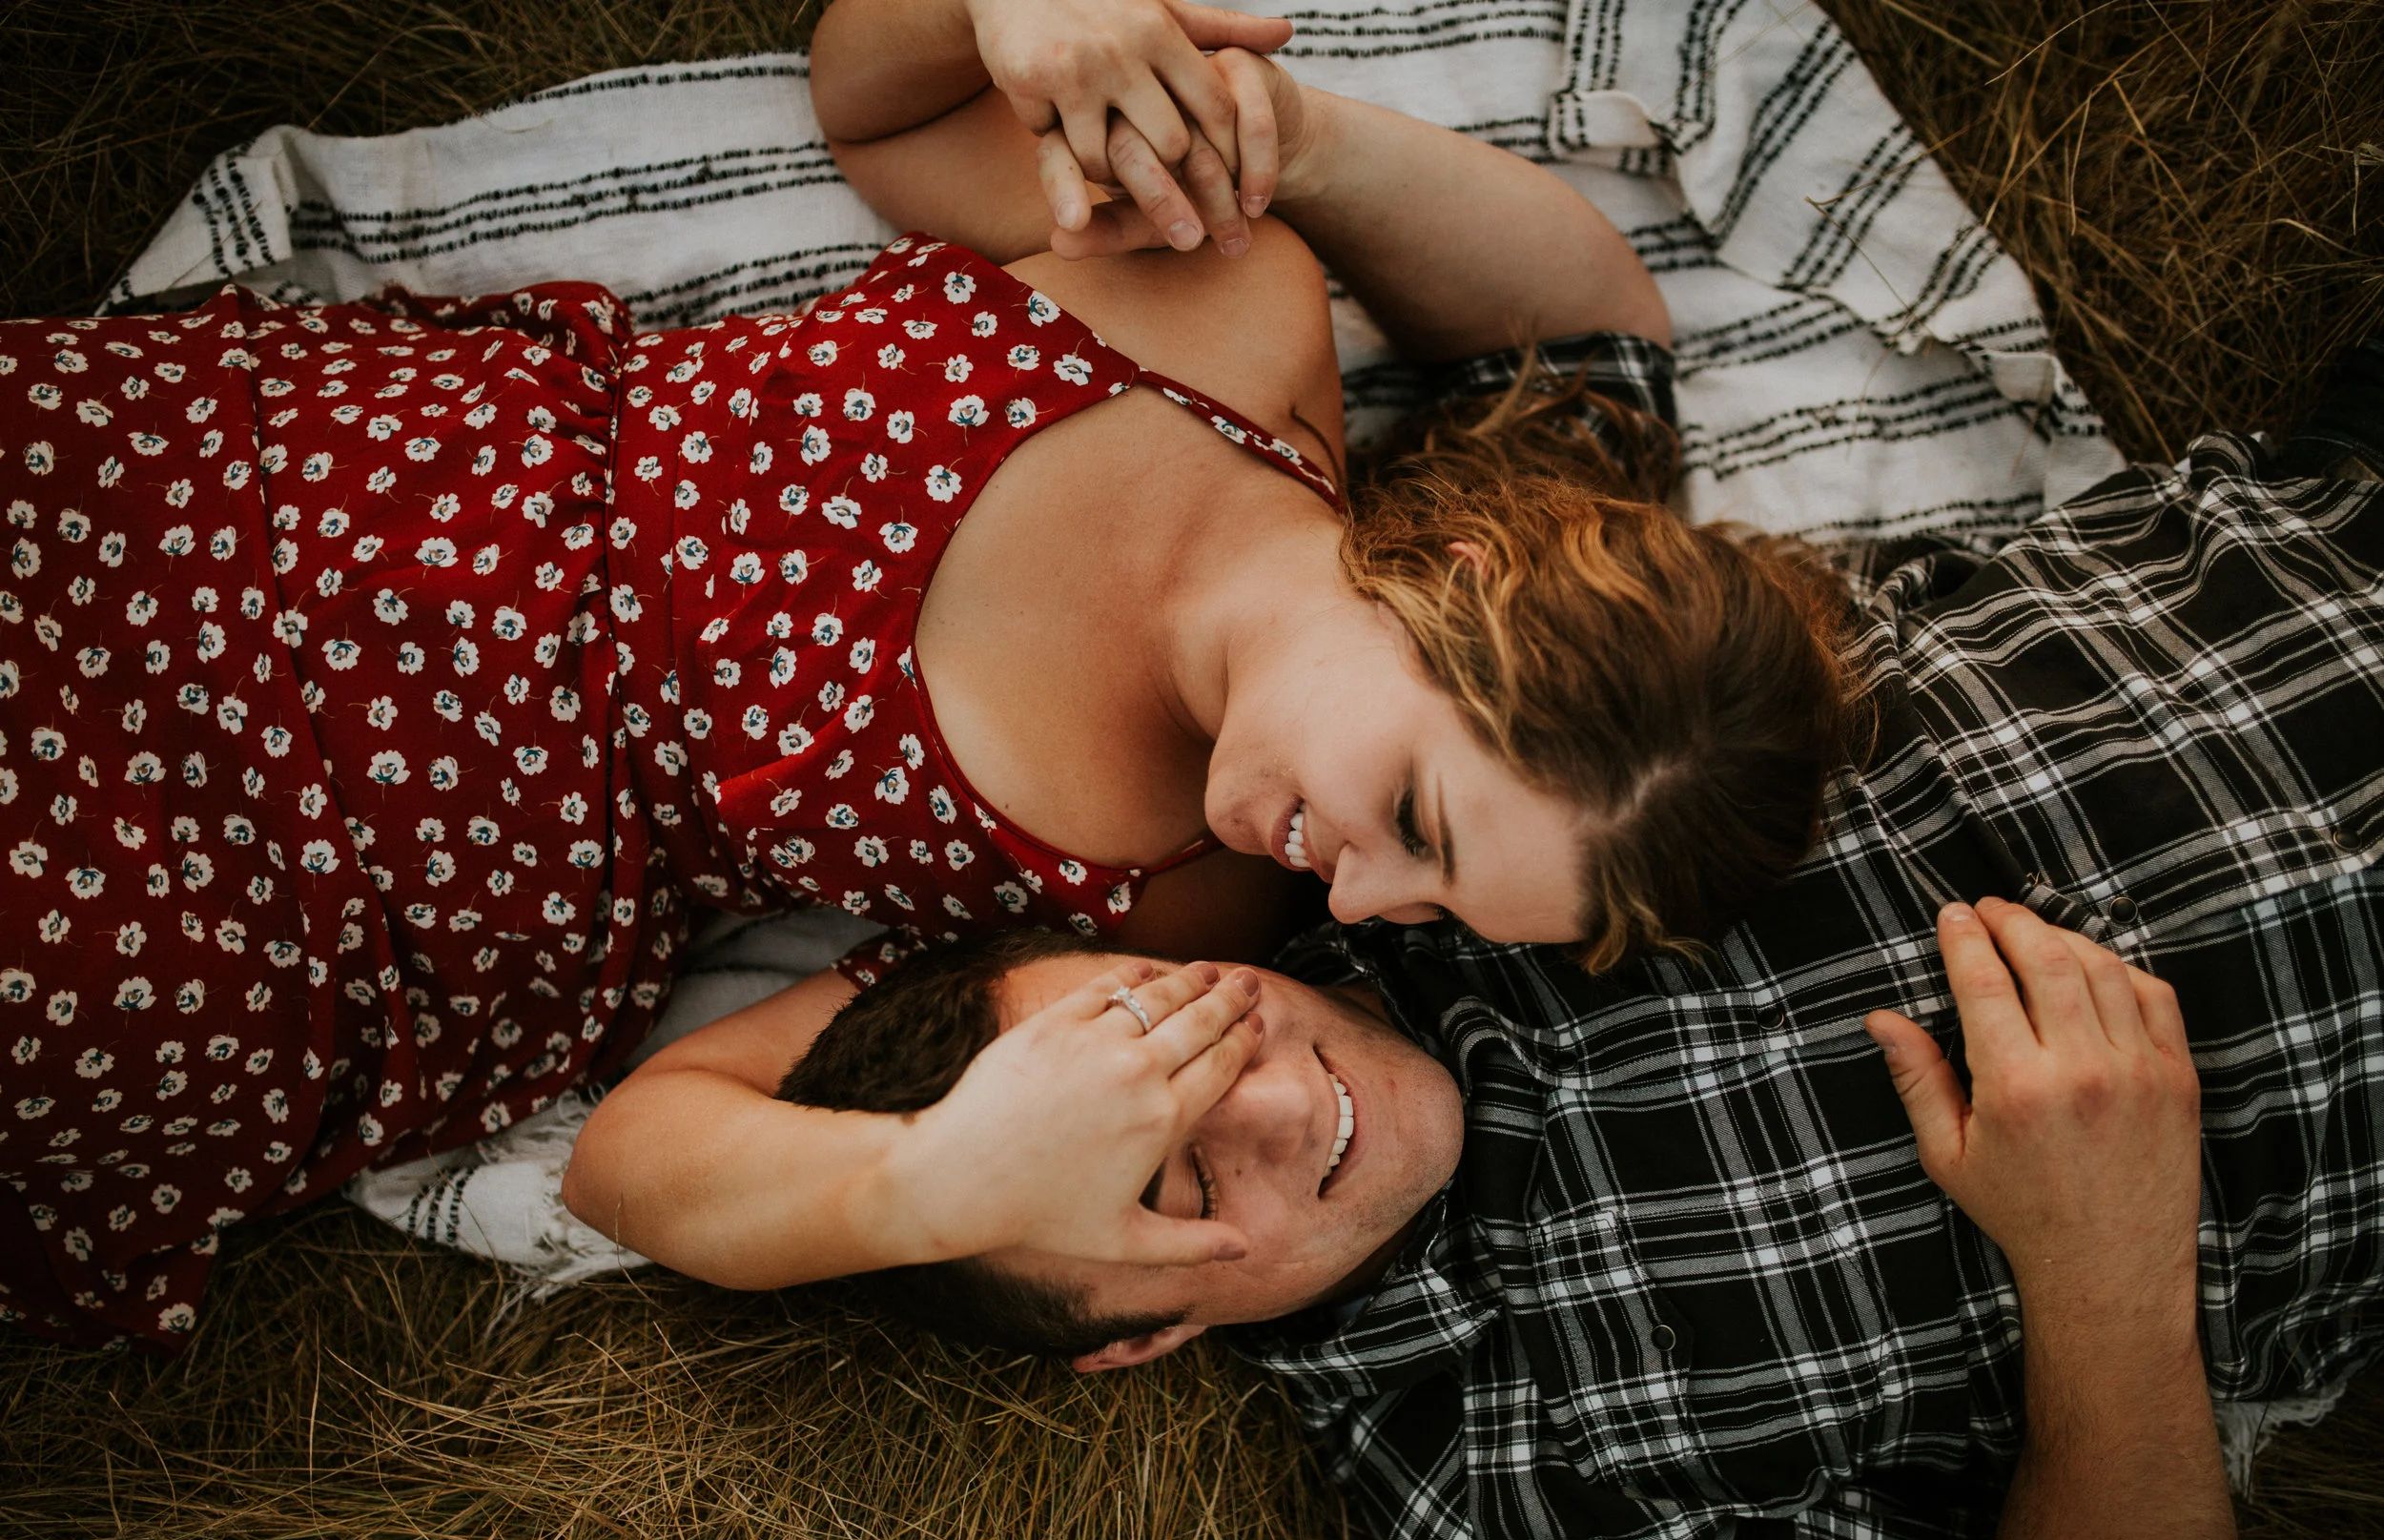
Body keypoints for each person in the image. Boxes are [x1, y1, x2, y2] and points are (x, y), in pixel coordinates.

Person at [0, 3, 1848, 1346]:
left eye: (1427, 895)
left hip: (356, 878)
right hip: (331, 490)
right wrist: (1062, 26)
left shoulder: (1177, 892)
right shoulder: (1216, 301)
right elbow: (878, 105)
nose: (1354, 888)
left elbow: (646, 1147)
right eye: (1414, 816)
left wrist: (931, 1184)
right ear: (1459, 582)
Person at [771, 361, 2384, 1540]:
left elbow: (1581, 387)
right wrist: (2107, 1287)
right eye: (1178, 1184)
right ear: (1131, 1338)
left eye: (1170, 1037)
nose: (1265, 1092)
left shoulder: (1366, 837)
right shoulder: (1516, 1507)